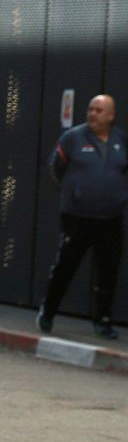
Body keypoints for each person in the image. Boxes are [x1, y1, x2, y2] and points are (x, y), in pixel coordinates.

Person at [38, 93, 127, 339]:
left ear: (111, 115)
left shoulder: (121, 140)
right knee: (65, 266)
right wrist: (73, 193)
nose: (93, 114)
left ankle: (103, 321)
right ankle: (48, 311)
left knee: (108, 271)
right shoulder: (73, 138)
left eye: (99, 110)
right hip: (77, 217)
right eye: (90, 109)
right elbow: (55, 168)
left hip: (110, 218)